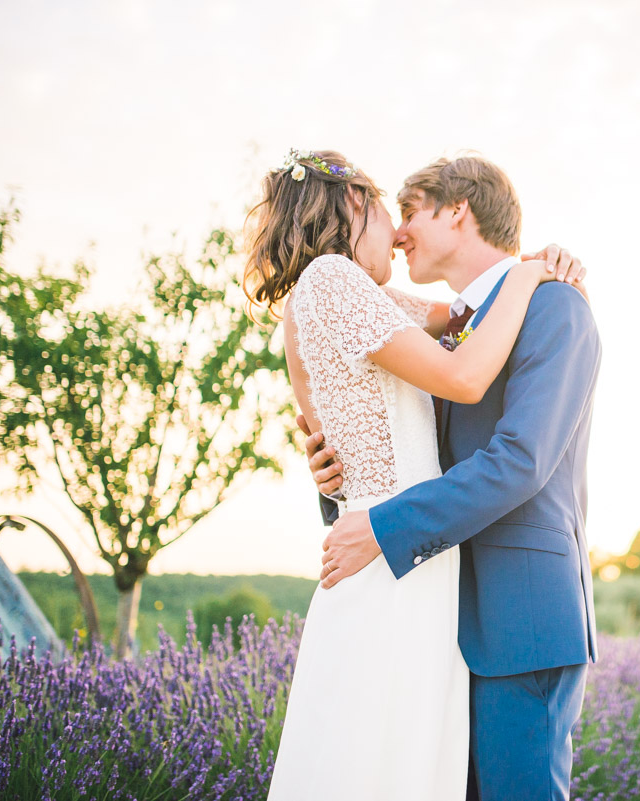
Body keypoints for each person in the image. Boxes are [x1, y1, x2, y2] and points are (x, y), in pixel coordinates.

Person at [243, 148, 586, 801]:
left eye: (408, 214)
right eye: (385, 209)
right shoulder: (335, 284)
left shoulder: (540, 309)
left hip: (466, 591)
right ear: (349, 205)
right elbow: (456, 377)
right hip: (397, 569)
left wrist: (540, 267)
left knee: (397, 764)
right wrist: (527, 272)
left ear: (457, 213)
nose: (397, 233)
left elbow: (462, 339)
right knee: (382, 764)